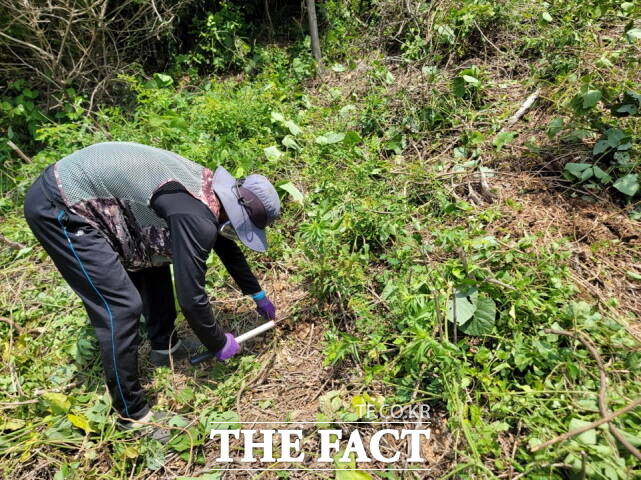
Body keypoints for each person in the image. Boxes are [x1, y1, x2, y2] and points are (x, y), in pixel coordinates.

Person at [23, 141, 280, 434]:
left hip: (94, 199)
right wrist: (218, 342)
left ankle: (165, 347)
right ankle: (132, 415)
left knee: (154, 260)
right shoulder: (195, 215)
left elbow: (223, 243)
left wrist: (256, 292)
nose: (234, 233)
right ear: (234, 211)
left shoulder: (210, 194)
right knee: (120, 307)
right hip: (60, 206)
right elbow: (191, 298)